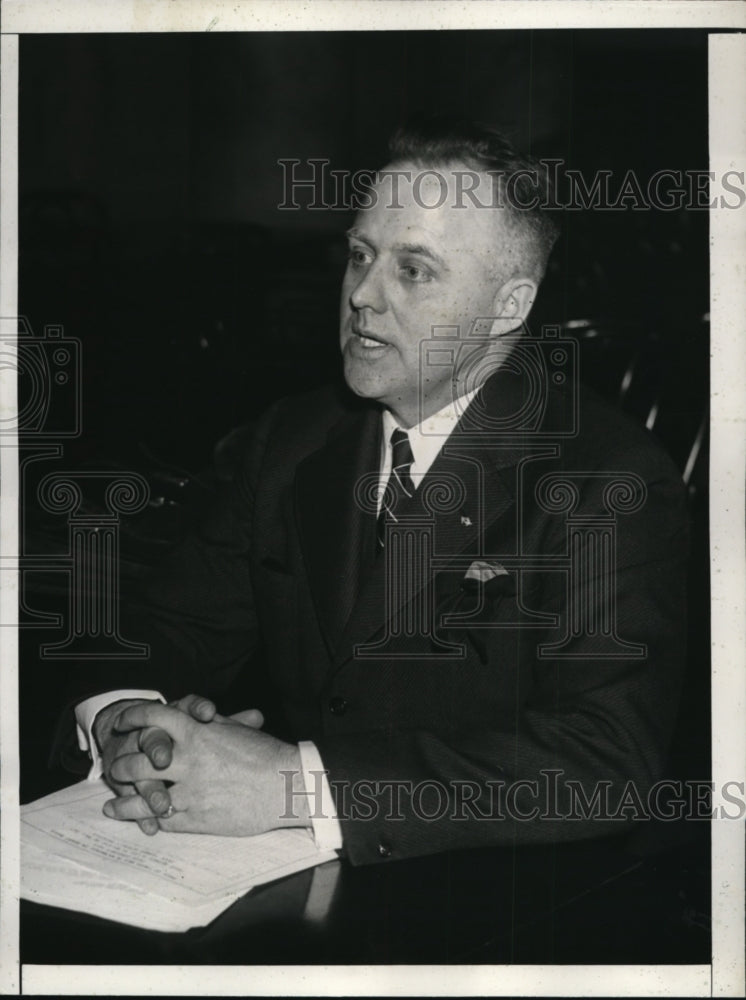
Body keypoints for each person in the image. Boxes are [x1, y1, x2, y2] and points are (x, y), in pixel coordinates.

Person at [70, 116, 689, 865]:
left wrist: (291, 787)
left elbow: (608, 762)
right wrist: (127, 720)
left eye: (413, 269)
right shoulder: (293, 438)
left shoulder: (609, 479)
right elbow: (161, 623)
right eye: (360, 254)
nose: (362, 293)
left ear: (509, 307)